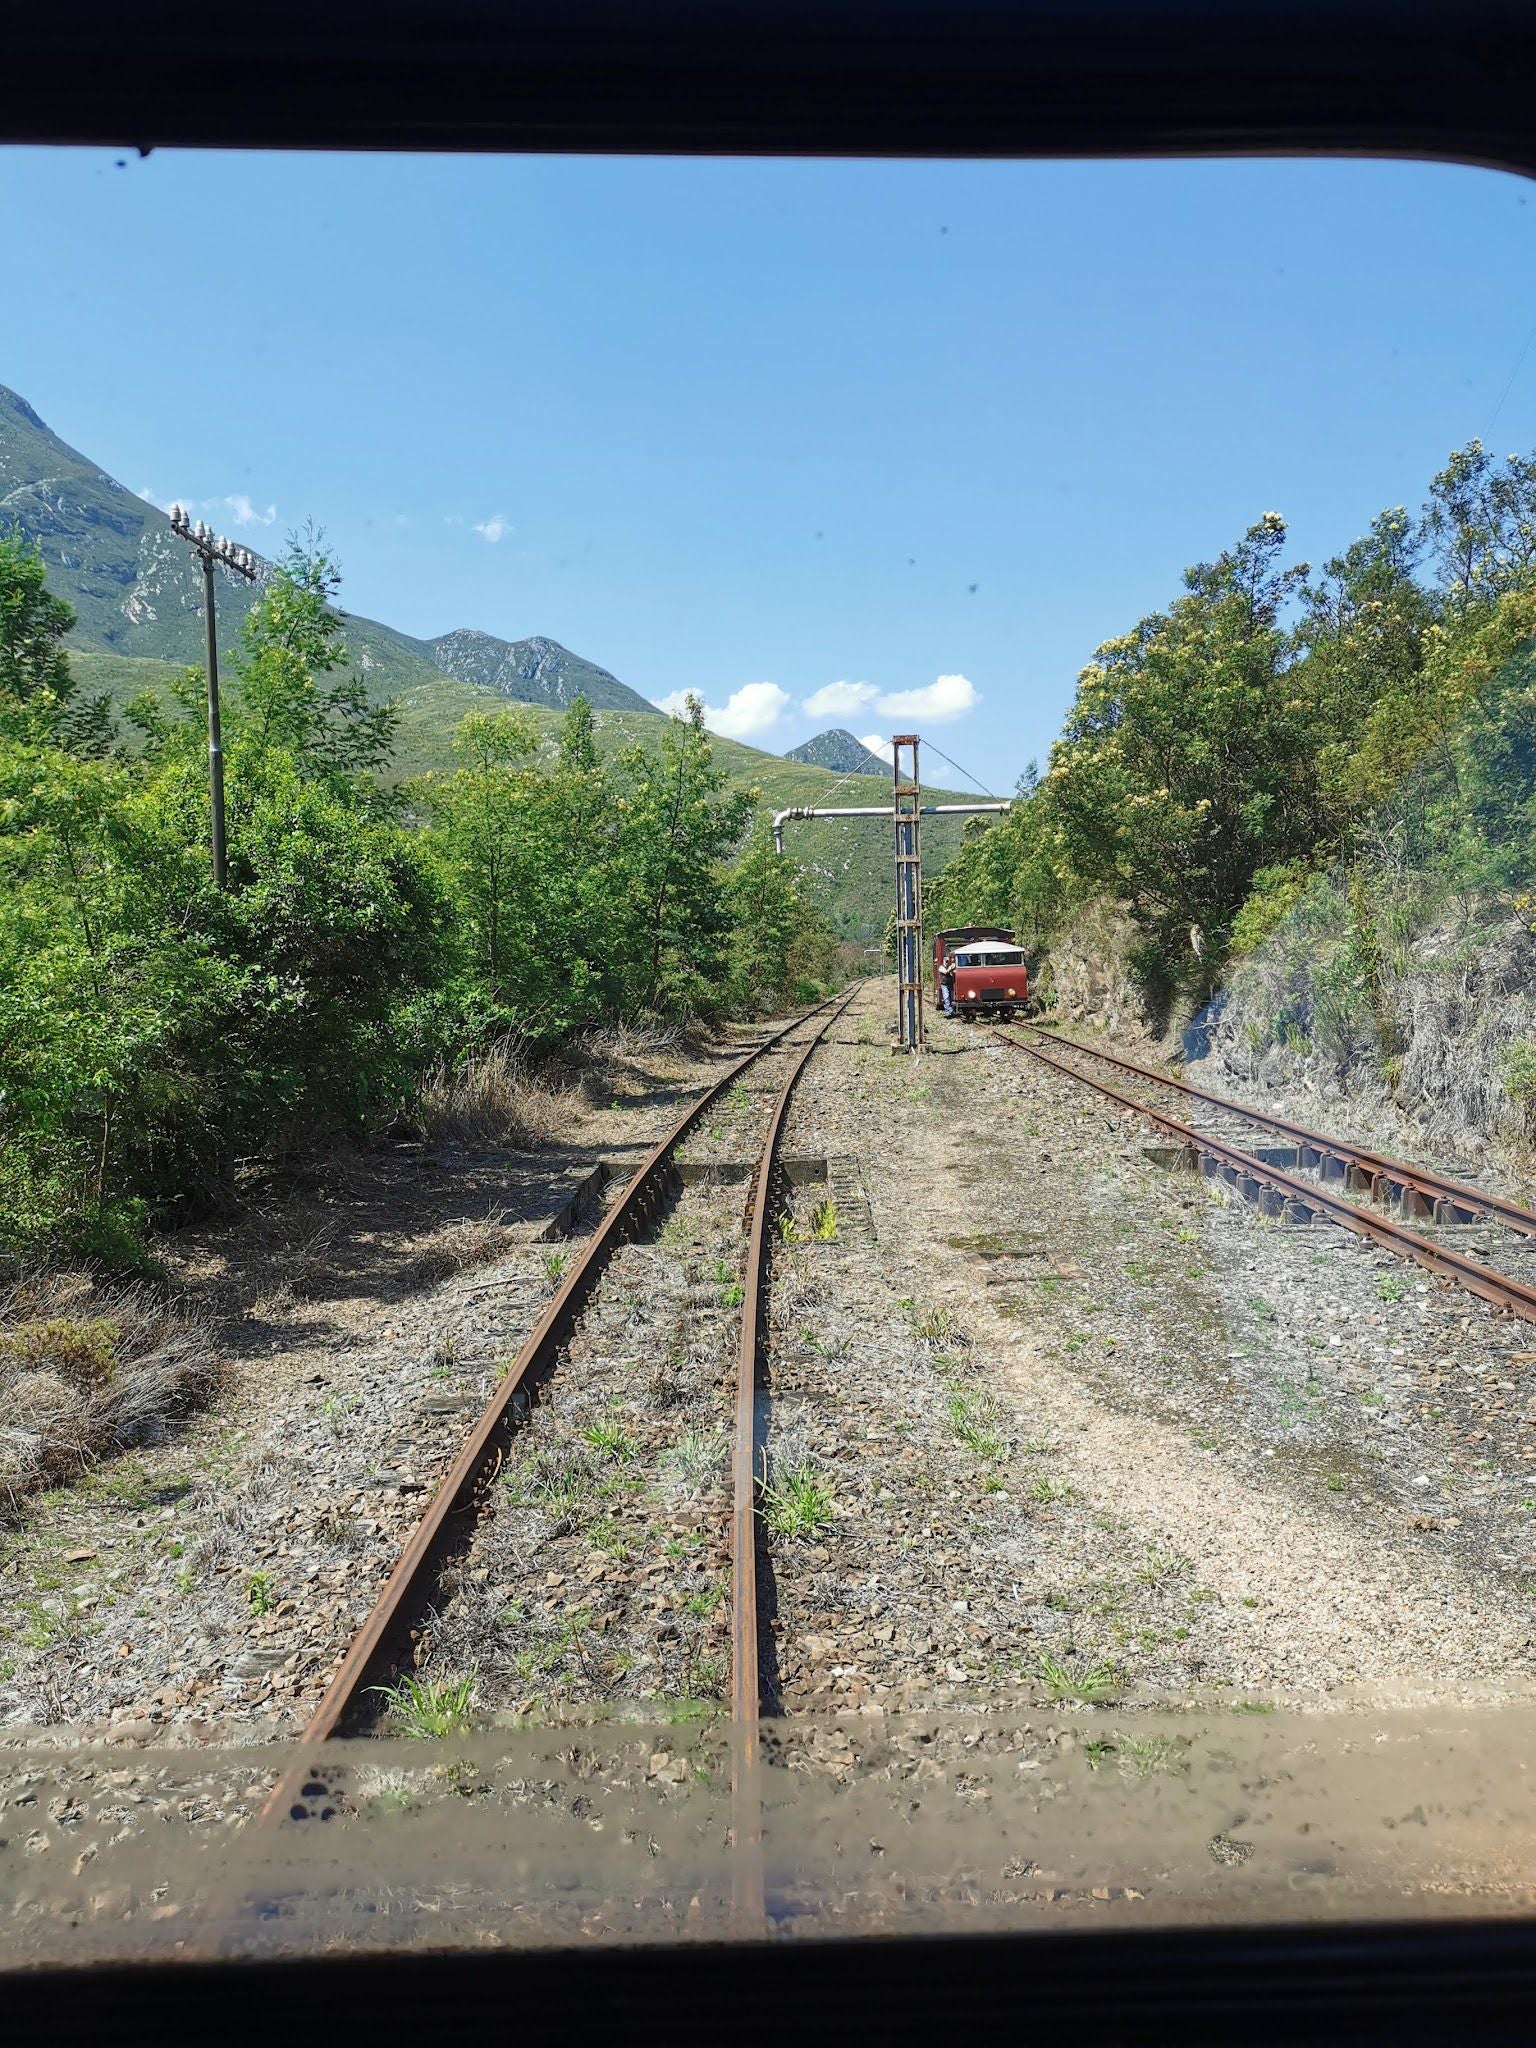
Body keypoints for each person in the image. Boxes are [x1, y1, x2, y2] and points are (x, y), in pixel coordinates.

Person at [939, 950, 957, 1017]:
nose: (947, 962)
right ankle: (949, 1011)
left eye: (948, 961)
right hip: (944, 985)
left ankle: (950, 1011)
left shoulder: (950, 968)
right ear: (943, 961)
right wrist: (950, 968)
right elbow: (946, 972)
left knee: (951, 998)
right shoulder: (941, 967)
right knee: (946, 998)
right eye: (946, 961)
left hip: (950, 984)